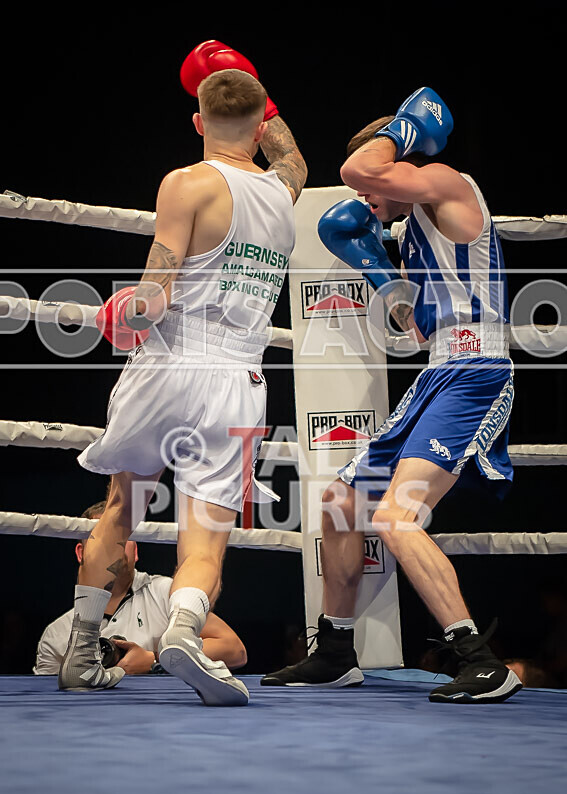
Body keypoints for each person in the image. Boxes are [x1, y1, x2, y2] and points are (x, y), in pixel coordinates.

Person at [58, 41, 307, 705]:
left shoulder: (184, 183)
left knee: (123, 505)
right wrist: (254, 88)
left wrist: (120, 310)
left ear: (197, 122)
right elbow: (290, 157)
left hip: (165, 365)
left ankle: (83, 653)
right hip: (233, 378)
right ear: (261, 122)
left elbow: (155, 294)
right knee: (205, 533)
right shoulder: (285, 192)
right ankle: (186, 631)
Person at [262, 87, 522, 704]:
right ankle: (334, 650)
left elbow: (363, 168)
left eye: (373, 188)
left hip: (478, 370)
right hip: (438, 373)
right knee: (339, 503)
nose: (362, 199)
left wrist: (400, 136)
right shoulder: (414, 231)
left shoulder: (447, 182)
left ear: (400, 162)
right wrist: (389, 285)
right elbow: (413, 316)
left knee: (395, 515)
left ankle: (481, 660)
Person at [35, 501, 247, 675]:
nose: (114, 544)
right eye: (102, 538)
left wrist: (155, 660)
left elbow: (234, 650)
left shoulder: (167, 592)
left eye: (123, 536)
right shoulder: (56, 635)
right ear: (81, 553)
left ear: (135, 550)